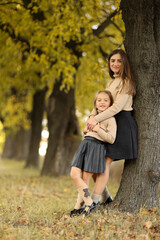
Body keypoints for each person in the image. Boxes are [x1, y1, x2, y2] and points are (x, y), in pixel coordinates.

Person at [87, 49, 138, 204]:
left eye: (119, 61)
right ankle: (106, 198)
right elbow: (102, 101)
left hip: (122, 125)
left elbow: (116, 108)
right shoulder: (111, 82)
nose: (115, 64)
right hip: (110, 123)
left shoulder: (126, 82)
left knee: (105, 162)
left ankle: (93, 203)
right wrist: (91, 116)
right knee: (97, 161)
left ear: (125, 63)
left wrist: (95, 119)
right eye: (112, 61)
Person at [70, 90, 117, 217]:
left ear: (110, 103)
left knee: (86, 177)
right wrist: (85, 131)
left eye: (105, 100)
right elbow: (86, 132)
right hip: (85, 144)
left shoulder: (110, 119)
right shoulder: (92, 117)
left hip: (96, 146)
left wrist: (98, 129)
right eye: (99, 100)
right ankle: (89, 202)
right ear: (95, 104)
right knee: (74, 173)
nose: (102, 102)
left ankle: (79, 206)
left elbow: (111, 138)